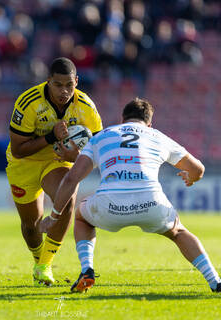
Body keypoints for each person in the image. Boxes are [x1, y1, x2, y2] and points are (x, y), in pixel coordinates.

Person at [40, 98, 221, 293]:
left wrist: (54, 217)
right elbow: (198, 169)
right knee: (178, 232)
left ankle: (87, 270)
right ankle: (215, 281)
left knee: (82, 217)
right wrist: (191, 177)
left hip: (110, 205)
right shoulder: (156, 135)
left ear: (122, 119)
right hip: (151, 204)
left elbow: (71, 179)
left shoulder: (102, 136)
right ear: (149, 123)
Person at [6, 57, 103, 286]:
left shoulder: (86, 106)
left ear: (76, 81)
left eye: (69, 85)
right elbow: (19, 150)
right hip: (25, 163)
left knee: (67, 197)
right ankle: (39, 259)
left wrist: (76, 158)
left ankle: (44, 266)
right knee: (31, 227)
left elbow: (101, 150)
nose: (64, 91)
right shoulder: (28, 102)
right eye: (58, 85)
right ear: (48, 81)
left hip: (58, 160)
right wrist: (51, 136)